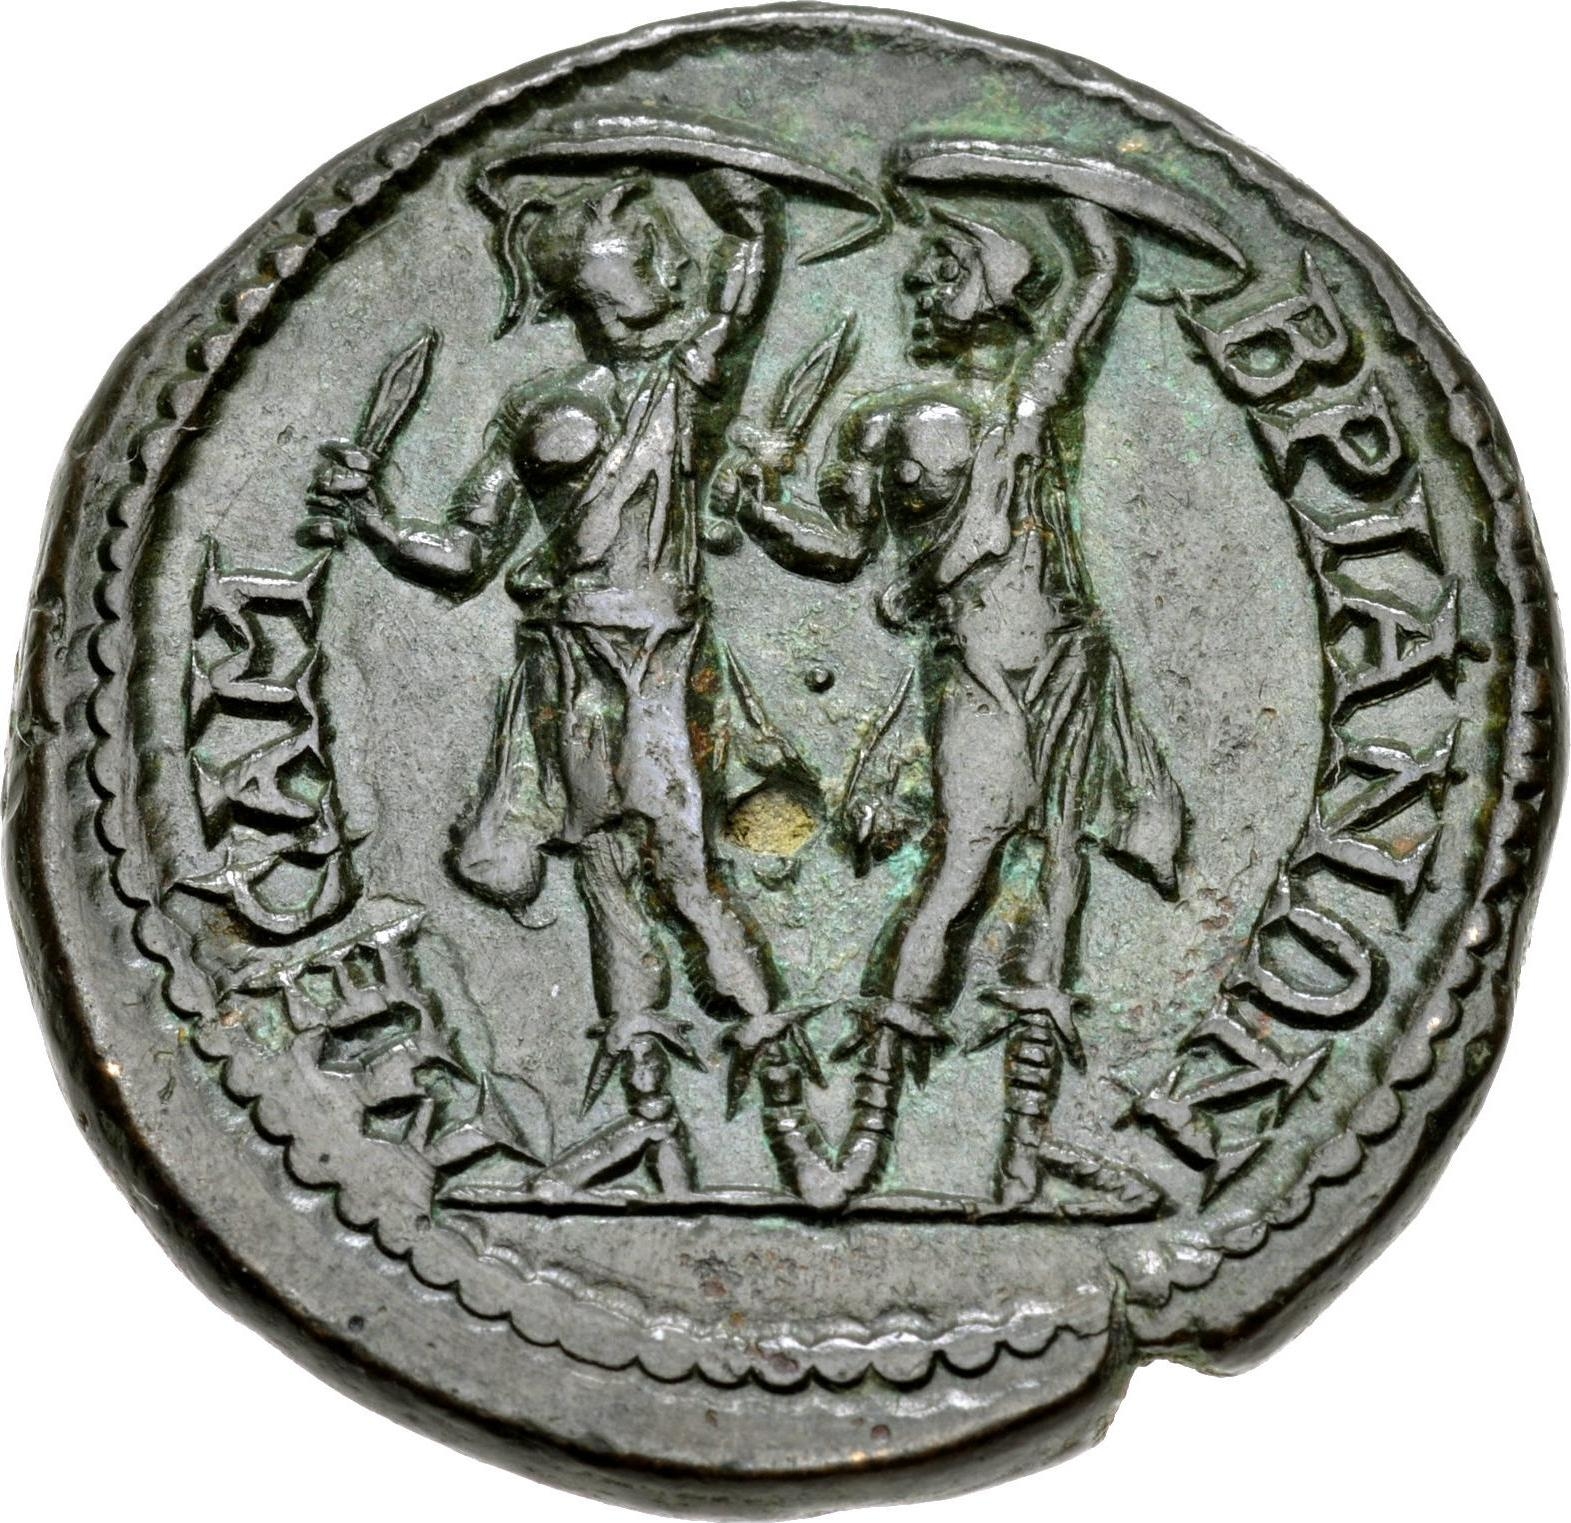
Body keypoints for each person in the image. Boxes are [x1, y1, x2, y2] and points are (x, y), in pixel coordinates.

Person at [309, 148, 804, 1198]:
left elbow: (746, 279)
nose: (675, 265)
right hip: (567, 658)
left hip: (657, 654)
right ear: (595, 277)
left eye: (672, 249)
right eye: (650, 250)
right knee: (607, 874)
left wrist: (746, 200)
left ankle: (792, 1117)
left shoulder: (682, 379)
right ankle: (652, 1132)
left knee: (684, 875)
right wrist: (376, 518)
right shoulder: (535, 410)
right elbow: (463, 552)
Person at [723, 195, 1182, 1211]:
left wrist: (1083, 204)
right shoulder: (889, 421)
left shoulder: (1023, 405)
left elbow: (1096, 286)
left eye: (940, 268)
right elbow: (843, 549)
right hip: (978, 667)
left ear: (995, 281)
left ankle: (1026, 1147)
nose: (918, 287)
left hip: (1067, 662)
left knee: (1059, 876)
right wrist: (757, 507)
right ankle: (863, 1137)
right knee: (962, 875)